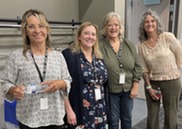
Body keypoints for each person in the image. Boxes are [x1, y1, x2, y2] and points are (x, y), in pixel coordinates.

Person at [1, 9, 72, 129]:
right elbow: (5, 83)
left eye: (41, 26)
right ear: (26, 31)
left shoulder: (58, 56)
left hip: (54, 117)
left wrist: (61, 83)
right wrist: (14, 90)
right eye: (31, 27)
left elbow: (68, 80)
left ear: (47, 29)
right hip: (29, 118)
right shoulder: (17, 56)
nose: (37, 30)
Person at [138, 8, 182, 129]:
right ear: (143, 26)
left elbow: (179, 54)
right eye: (146, 22)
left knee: (170, 116)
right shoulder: (142, 47)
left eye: (153, 21)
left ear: (157, 23)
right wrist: (148, 86)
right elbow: (143, 69)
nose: (150, 24)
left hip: (171, 82)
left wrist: (173, 71)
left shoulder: (167, 37)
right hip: (152, 83)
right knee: (152, 117)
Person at [99, 12, 142, 129]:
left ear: (120, 27)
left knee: (127, 118)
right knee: (113, 120)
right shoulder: (99, 45)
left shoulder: (129, 45)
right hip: (110, 90)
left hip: (128, 89)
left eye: (116, 25)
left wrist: (135, 85)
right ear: (105, 28)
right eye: (110, 25)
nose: (113, 28)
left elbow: (138, 66)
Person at [62, 22, 108, 129]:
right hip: (80, 109)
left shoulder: (99, 57)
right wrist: (68, 110)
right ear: (79, 36)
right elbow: (63, 87)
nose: (90, 37)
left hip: (100, 109)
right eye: (86, 33)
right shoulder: (69, 55)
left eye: (93, 34)